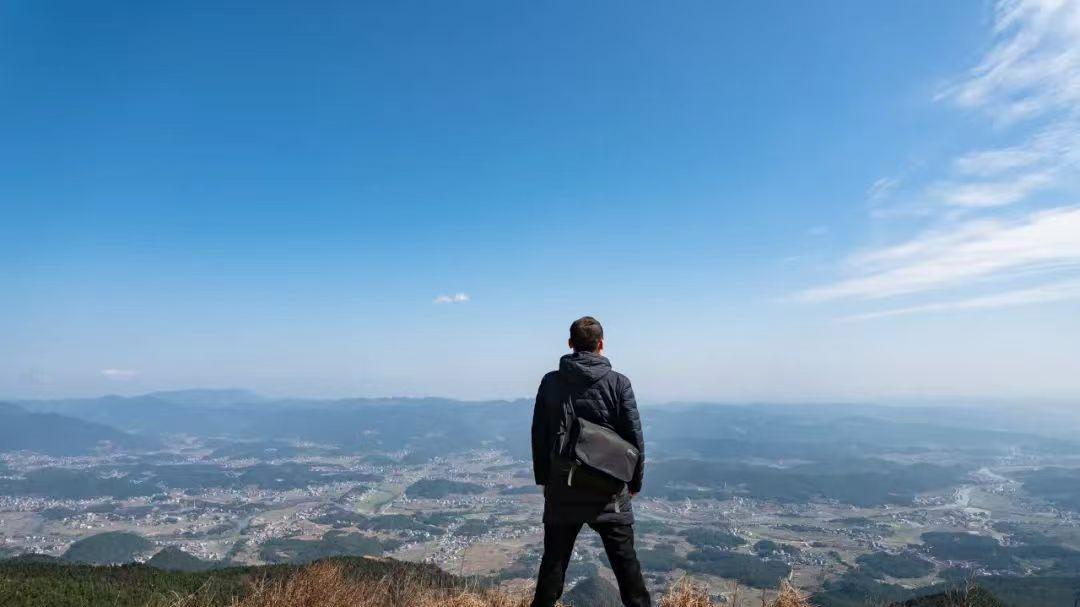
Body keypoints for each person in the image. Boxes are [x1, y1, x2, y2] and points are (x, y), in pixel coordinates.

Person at [530, 316, 650, 607]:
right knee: (628, 573)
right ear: (601, 344)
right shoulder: (619, 383)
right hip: (609, 492)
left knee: (553, 569)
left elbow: (540, 434)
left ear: (570, 344)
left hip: (563, 487)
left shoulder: (551, 382)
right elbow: (634, 439)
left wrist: (545, 481)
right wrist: (633, 483)